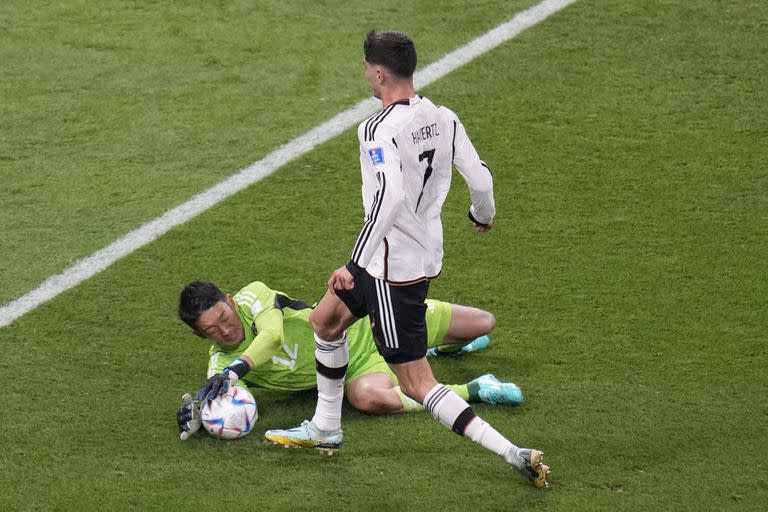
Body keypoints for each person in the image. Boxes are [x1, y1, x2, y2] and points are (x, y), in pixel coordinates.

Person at [248, 31, 550, 488]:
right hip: (413, 256)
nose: (366, 75)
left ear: (380, 72)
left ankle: (513, 452)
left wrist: (353, 264)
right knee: (325, 323)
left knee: (416, 384)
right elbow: (482, 181)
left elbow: (387, 201)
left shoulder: (376, 128)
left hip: (389, 270)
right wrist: (480, 215)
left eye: (366, 68)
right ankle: (326, 427)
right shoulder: (444, 118)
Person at [176, 280, 524, 440]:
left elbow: (273, 336)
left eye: (224, 316)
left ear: (229, 299)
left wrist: (238, 370)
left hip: (366, 325)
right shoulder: (221, 364)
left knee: (483, 323)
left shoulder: (254, 297)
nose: (226, 329)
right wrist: (195, 419)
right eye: (213, 329)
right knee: (369, 399)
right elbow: (214, 400)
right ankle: (477, 389)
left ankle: (444, 348)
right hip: (355, 366)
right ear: (199, 335)